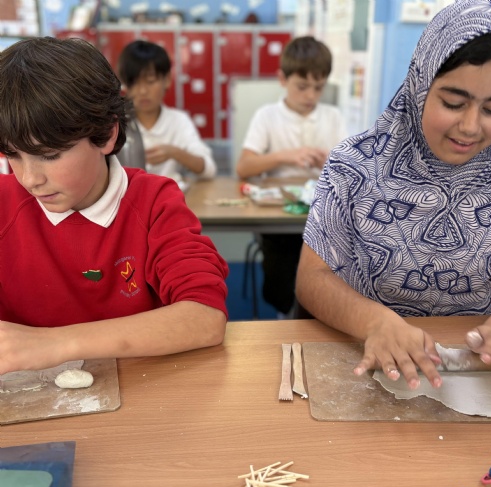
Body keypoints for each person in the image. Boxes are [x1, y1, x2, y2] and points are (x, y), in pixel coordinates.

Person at [296, 0, 491, 390]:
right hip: (369, 361)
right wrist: (374, 322)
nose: (471, 127)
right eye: (453, 103)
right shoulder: (355, 164)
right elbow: (312, 278)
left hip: (479, 372)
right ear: (419, 86)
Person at [0, 37, 229, 375]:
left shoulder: (154, 202)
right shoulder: (5, 203)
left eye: (49, 155)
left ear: (107, 134)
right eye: (12, 155)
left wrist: (53, 344)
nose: (30, 178)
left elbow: (204, 316)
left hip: (142, 394)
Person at [236, 35, 346, 317]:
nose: (311, 96)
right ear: (282, 79)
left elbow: (350, 171)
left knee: (332, 270)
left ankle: (314, 312)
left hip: (321, 217)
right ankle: (286, 311)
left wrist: (330, 161)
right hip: (279, 220)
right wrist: (285, 156)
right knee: (283, 280)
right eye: (302, 86)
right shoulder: (267, 116)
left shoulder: (332, 117)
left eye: (318, 88)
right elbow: (243, 167)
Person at [117, 40, 217, 181]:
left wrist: (174, 153)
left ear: (168, 79)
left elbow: (209, 169)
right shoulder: (117, 124)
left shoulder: (178, 121)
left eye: (150, 81)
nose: (143, 91)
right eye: (134, 83)